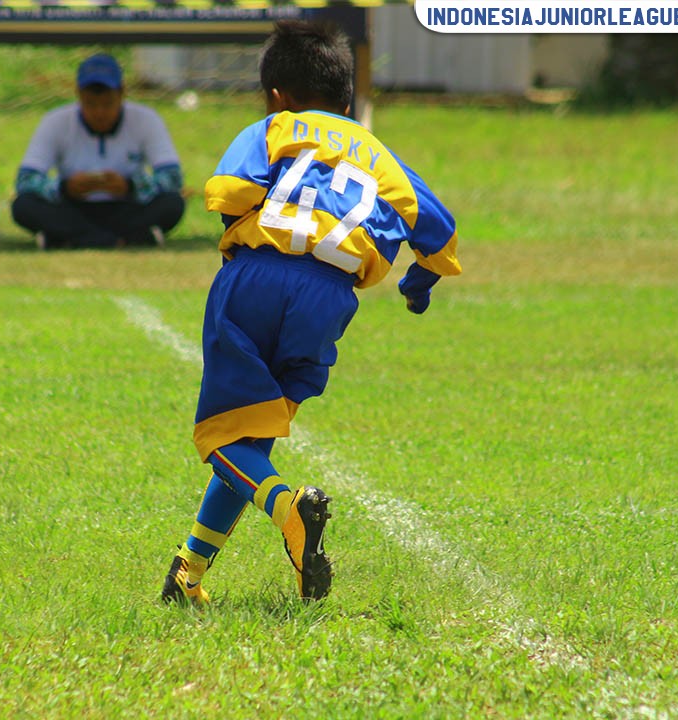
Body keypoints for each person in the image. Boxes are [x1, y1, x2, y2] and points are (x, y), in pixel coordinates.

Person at [160, 20, 462, 605]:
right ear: (347, 98)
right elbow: (439, 231)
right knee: (257, 430)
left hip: (256, 279)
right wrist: (417, 284)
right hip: (329, 299)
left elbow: (228, 190)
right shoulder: (380, 155)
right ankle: (188, 573)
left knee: (220, 438)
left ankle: (288, 509)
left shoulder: (274, 128)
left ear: (277, 95)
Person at [11, 53, 185, 250]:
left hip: (125, 207)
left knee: (172, 203)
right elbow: (25, 181)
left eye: (108, 104)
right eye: (91, 104)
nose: (99, 113)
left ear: (122, 94)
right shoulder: (55, 121)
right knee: (24, 205)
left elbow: (173, 178)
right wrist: (65, 187)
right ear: (78, 95)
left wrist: (130, 186)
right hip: (73, 208)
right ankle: (122, 238)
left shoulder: (146, 119)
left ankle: (69, 238)